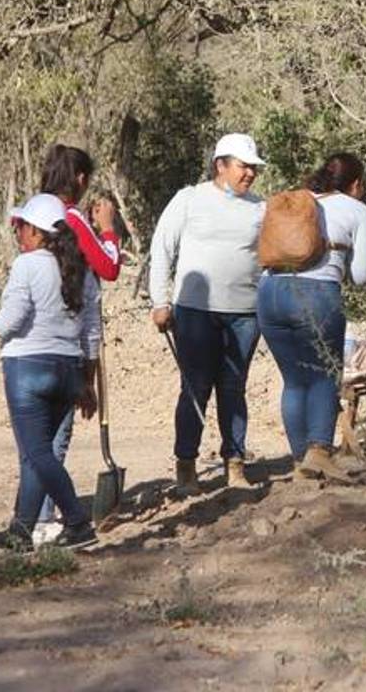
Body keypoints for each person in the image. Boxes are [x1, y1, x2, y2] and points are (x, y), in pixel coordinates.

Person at [0, 193, 102, 551]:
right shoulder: (82, 271)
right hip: (69, 368)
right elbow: (91, 330)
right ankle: (21, 531)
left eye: (22, 226)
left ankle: (77, 521)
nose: (18, 233)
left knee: (37, 454)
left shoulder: (27, 266)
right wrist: (87, 381)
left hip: (28, 368)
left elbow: (12, 318)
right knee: (39, 453)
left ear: (38, 232)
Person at [148, 133, 266, 494]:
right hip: (195, 312)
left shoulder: (262, 207)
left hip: (245, 314)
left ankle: (235, 464)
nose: (250, 174)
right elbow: (162, 249)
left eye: (254, 168)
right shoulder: (190, 199)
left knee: (234, 389)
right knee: (195, 388)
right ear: (221, 165)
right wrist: (159, 301)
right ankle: (186, 466)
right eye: (244, 167)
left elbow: (271, 258)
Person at [257, 152, 366, 483]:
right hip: (317, 297)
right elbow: (363, 274)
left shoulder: (296, 200)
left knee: (295, 381)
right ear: (355, 184)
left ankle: (301, 463)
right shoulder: (357, 210)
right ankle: (320, 453)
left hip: (269, 295)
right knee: (325, 376)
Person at [31, 143, 120, 544]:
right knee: (55, 436)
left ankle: (31, 513)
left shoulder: (30, 214)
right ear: (81, 180)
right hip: (69, 337)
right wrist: (107, 227)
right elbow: (108, 266)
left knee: (36, 435)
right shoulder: (70, 218)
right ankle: (42, 516)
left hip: (34, 337)